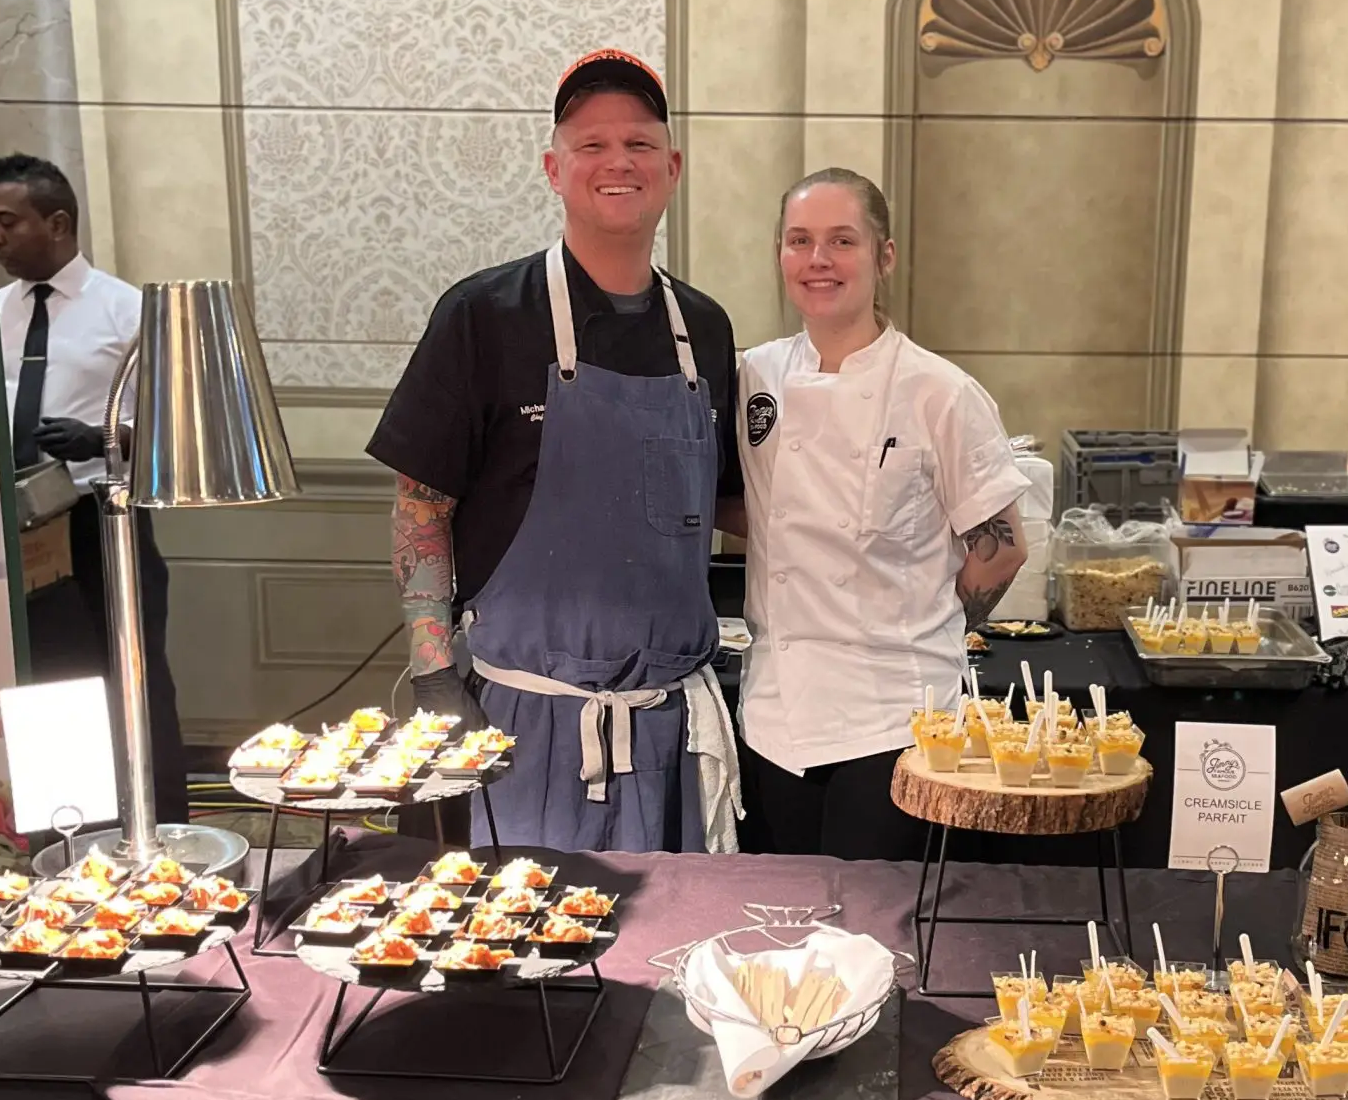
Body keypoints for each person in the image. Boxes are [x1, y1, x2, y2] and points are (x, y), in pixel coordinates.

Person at [369, 51, 743, 852]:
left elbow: (731, 503)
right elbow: (421, 504)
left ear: (672, 168)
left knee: (666, 950)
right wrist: (435, 671)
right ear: (554, 167)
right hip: (521, 726)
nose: (618, 163)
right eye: (591, 145)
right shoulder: (482, 315)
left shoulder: (704, 331)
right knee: (524, 950)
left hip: (666, 728)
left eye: (640, 145)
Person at [734, 168, 1028, 859]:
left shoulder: (940, 393)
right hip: (776, 713)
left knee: (879, 929)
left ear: (883, 256)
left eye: (842, 240)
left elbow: (1003, 546)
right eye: (799, 241)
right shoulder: (754, 376)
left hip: (895, 721)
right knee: (783, 923)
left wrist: (925, 626)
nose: (818, 261)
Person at [0, 154, 188, 821]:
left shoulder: (127, 311)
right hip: (17, 530)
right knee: (48, 686)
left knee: (129, 680)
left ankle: (156, 829)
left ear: (59, 222)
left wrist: (108, 441)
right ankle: (68, 831)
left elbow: (178, 428)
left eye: (7, 221)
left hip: (103, 522)